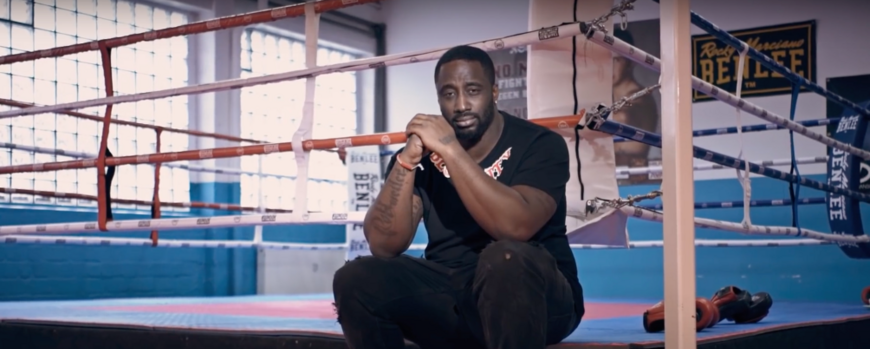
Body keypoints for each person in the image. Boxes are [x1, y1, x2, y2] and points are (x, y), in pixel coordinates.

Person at [332, 45, 584, 349]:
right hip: (454, 298)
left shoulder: (540, 144)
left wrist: (450, 150)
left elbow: (516, 228)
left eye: (473, 90)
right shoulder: (420, 158)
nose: (461, 104)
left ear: (494, 91)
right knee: (355, 277)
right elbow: (385, 245)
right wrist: (406, 161)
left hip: (537, 299)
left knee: (505, 257)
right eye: (449, 94)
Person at [611, 29, 659, 168]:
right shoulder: (609, 97)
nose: (609, 67)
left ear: (630, 62)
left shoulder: (641, 98)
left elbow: (623, 117)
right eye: (606, 60)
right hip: (610, 177)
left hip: (634, 177)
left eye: (616, 60)